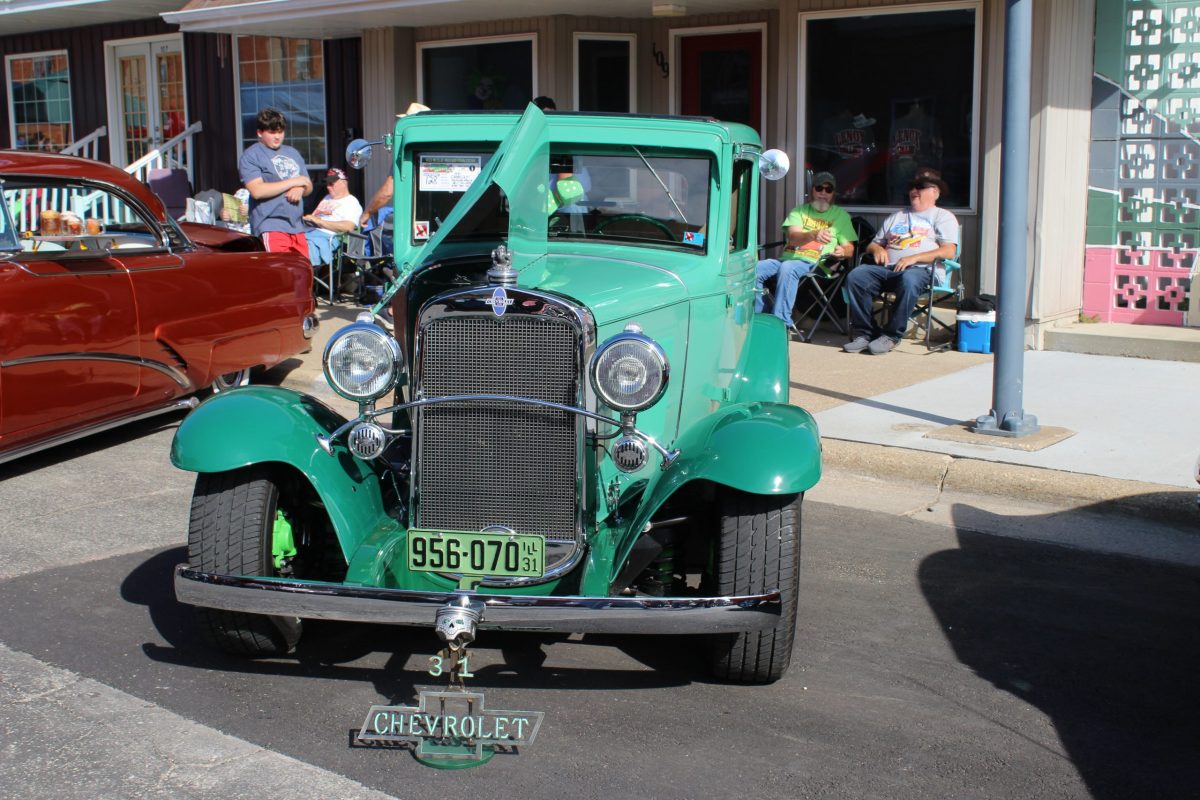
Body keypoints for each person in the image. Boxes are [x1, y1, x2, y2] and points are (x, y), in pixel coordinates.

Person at [843, 168, 959, 355]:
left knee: (909, 278)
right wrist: (877, 249)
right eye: (912, 187)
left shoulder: (942, 216)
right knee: (857, 276)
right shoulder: (896, 217)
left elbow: (949, 251)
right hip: (889, 270)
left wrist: (914, 258)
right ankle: (866, 333)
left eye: (920, 186)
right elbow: (873, 244)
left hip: (922, 271)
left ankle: (891, 336)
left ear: (935, 192)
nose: (914, 191)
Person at [755, 171, 857, 334]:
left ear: (833, 194)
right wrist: (813, 234)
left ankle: (780, 325)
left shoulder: (841, 215)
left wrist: (842, 251)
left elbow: (850, 249)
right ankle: (761, 317)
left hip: (818, 265)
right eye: (819, 188)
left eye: (828, 189)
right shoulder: (798, 212)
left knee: (788, 268)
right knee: (754, 269)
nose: (823, 193)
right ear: (811, 190)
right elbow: (793, 238)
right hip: (787, 260)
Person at [239, 107, 312, 255]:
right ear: (260, 132)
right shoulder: (251, 155)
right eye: (272, 132)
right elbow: (257, 190)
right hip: (271, 226)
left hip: (297, 226)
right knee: (279, 268)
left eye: (280, 132)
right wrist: (295, 182)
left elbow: (308, 185)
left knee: (302, 268)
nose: (277, 137)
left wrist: (300, 188)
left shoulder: (293, 153)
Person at [358, 102, 430, 229]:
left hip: (413, 220)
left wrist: (367, 213)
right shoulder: (440, 148)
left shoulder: (405, 154)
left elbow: (387, 192)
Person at [303, 167, 363, 267]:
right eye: (327, 184)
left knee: (305, 245)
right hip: (308, 232)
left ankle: (306, 273)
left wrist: (319, 222)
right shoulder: (327, 198)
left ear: (343, 183)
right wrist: (307, 219)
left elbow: (348, 227)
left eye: (331, 184)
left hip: (329, 237)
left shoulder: (352, 202)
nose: (328, 187)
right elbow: (315, 217)